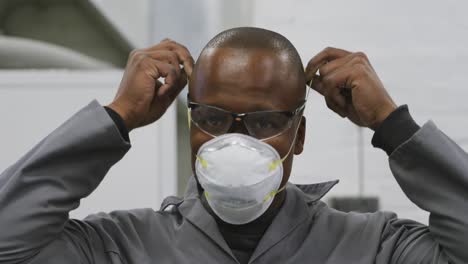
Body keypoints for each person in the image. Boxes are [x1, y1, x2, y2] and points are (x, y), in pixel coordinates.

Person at [0, 27, 467, 264]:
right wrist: (116, 116)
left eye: (264, 122)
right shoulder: (125, 248)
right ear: (190, 125)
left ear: (298, 136)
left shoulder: (371, 247)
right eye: (213, 118)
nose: (236, 141)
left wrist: (392, 125)